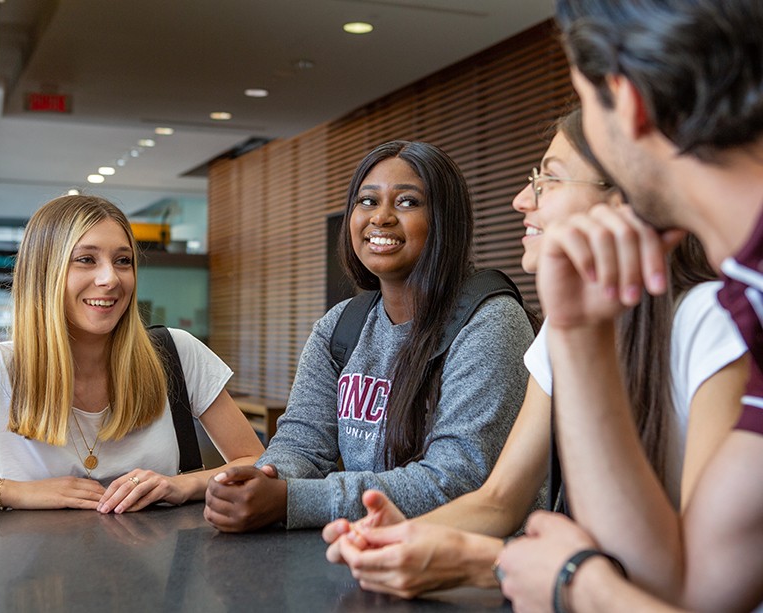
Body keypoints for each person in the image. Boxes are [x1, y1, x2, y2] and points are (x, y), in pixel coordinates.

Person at [319, 109, 747, 598]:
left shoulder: (713, 325)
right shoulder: (568, 329)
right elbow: (500, 500)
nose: (523, 200)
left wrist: (491, 562)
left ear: (628, 195)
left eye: (550, 180)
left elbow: (699, 588)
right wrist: (402, 538)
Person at [495, 1, 763, 612]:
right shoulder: (749, 292)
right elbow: (694, 588)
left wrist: (576, 584)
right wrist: (578, 331)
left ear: (628, 100)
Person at [202, 140, 536, 531]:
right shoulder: (341, 325)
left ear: (446, 221)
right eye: (367, 201)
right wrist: (261, 481)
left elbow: (459, 479)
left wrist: (292, 500)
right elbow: (301, 443)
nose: (381, 218)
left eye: (408, 202)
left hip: (479, 569)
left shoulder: (490, 321)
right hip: (369, 554)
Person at [0, 195, 264, 513]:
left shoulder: (175, 352)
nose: (110, 279)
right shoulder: (1, 367)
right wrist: (12, 492)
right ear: (43, 273)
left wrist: (180, 484)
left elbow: (259, 463)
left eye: (123, 261)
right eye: (86, 259)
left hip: (157, 557)